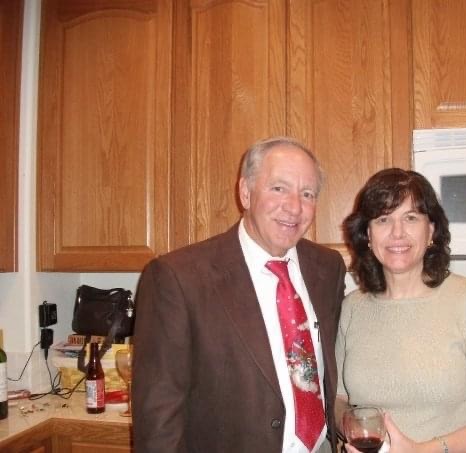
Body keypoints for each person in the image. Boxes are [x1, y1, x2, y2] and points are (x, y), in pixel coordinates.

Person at [132, 137, 347, 452]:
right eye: (279, 188)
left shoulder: (327, 268)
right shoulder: (179, 278)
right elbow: (157, 420)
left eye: (307, 194)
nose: (294, 207)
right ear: (245, 192)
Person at [336, 168, 466, 453]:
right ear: (368, 235)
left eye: (411, 217)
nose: (397, 232)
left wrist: (422, 451)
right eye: (383, 219)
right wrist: (357, 432)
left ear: (431, 230)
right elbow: (339, 400)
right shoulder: (352, 308)